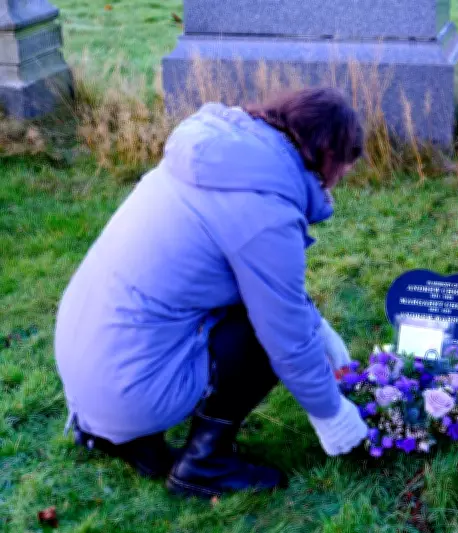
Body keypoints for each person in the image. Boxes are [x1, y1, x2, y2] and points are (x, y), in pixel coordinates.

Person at [54, 88, 369, 499]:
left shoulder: (218, 159)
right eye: (346, 164)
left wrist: (319, 327)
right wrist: (333, 414)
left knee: (248, 305)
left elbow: (256, 279)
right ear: (326, 153)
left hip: (89, 367)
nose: (344, 176)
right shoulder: (262, 210)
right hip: (126, 386)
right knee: (261, 332)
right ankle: (206, 464)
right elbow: (286, 335)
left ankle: (118, 434)